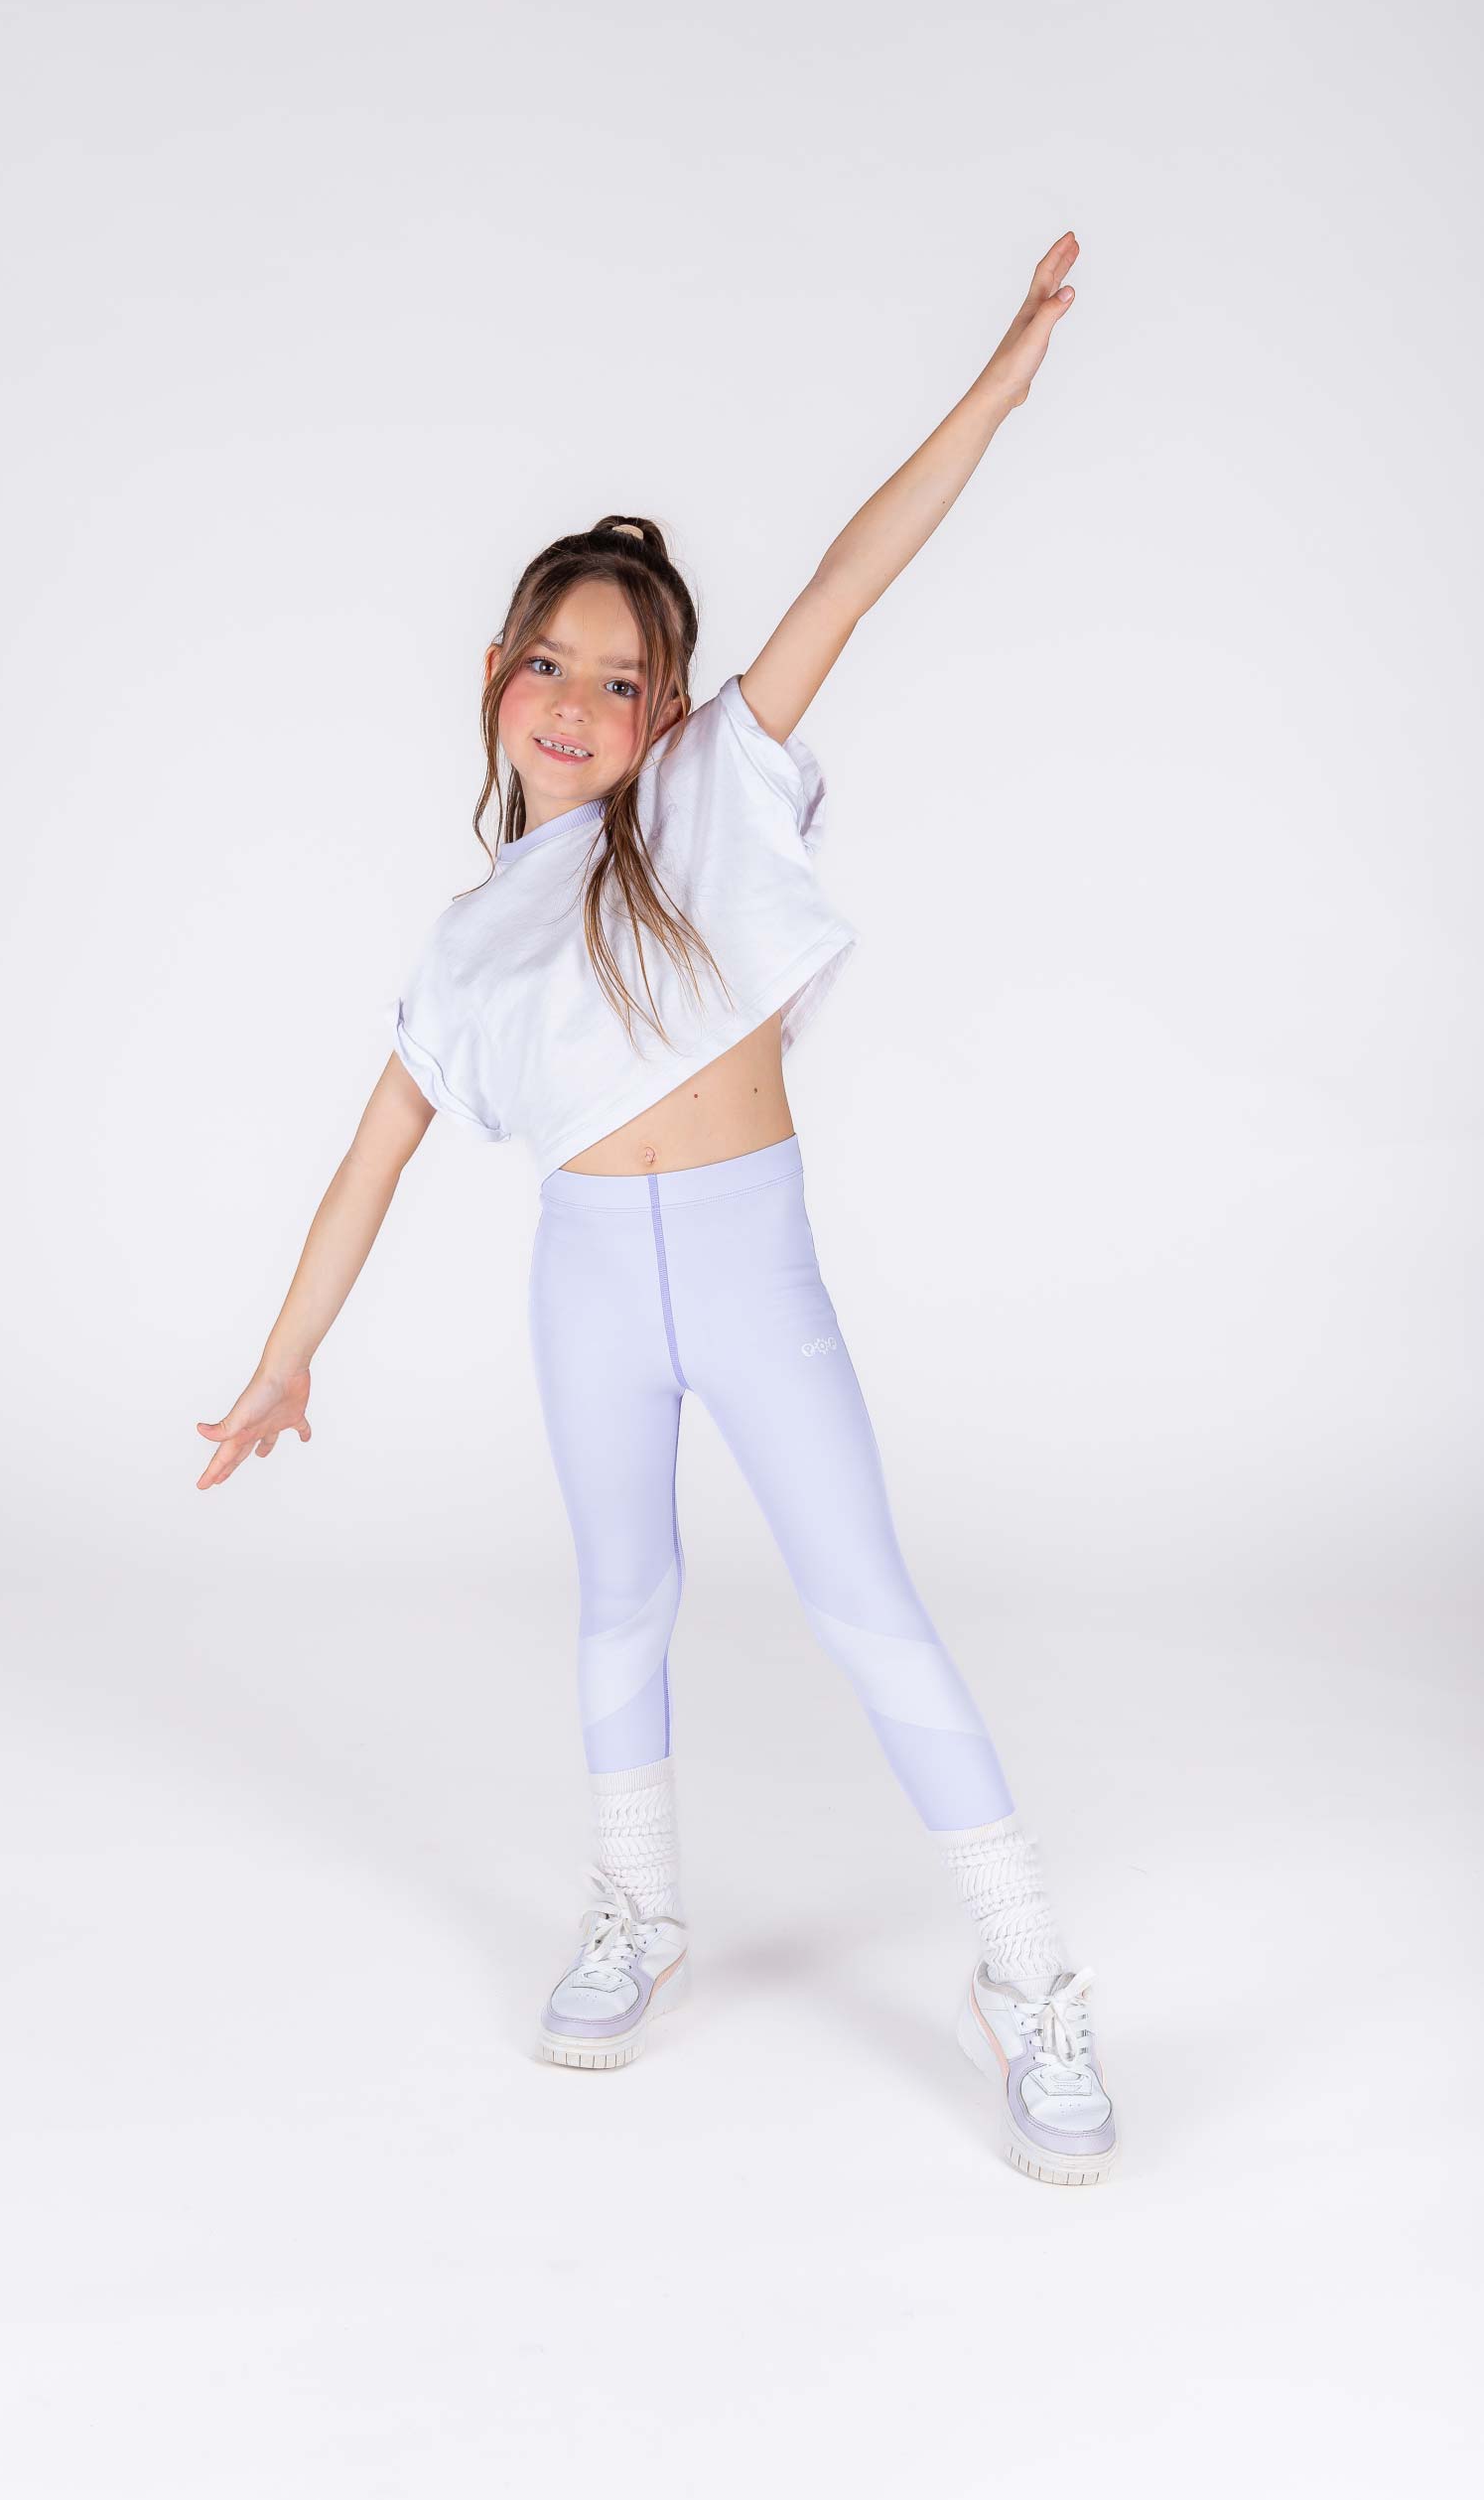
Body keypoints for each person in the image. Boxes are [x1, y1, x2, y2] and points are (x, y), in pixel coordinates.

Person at [197, 232, 1117, 2186]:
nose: (580, 700)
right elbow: (371, 1159)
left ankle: (1028, 1973)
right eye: (552, 663)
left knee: (868, 1606)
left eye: (622, 679)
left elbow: (854, 573)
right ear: (495, 678)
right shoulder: (466, 946)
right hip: (595, 1284)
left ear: (667, 706)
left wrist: (999, 382)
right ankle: (639, 1907)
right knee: (624, 1598)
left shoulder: (705, 794)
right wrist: (283, 1362)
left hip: (752, 1265)